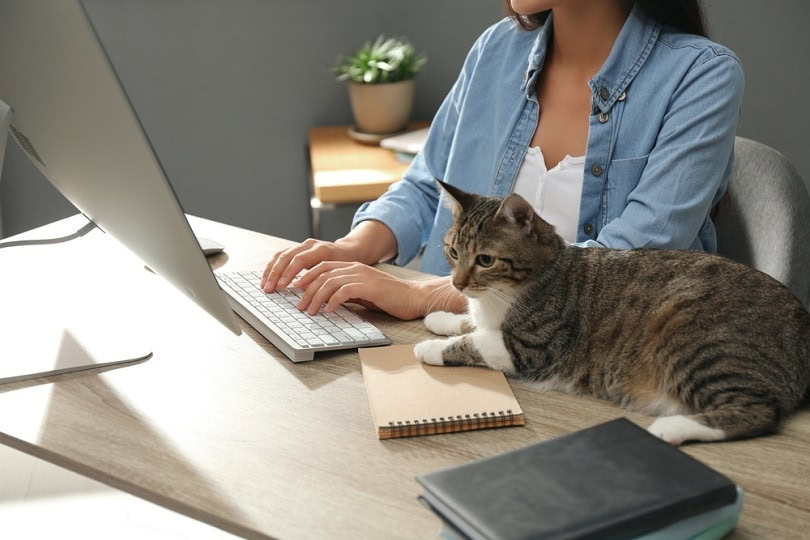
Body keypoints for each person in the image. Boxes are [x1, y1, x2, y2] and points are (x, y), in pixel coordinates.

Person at [260, 0, 744, 320]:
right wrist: (354, 247)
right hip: (453, 345)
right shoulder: (495, 49)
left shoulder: (702, 76)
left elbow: (630, 260)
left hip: (603, 364)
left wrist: (424, 297)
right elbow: (428, 186)